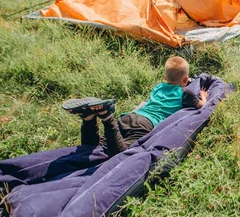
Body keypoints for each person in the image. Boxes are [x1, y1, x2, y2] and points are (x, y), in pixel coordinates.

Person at [62, 56, 207, 157]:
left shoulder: (158, 87)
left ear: (165, 78)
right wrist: (203, 95)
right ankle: (107, 117)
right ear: (186, 79)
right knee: (121, 155)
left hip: (130, 116)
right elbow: (202, 106)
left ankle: (89, 119)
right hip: (146, 124)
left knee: (98, 147)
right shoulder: (185, 93)